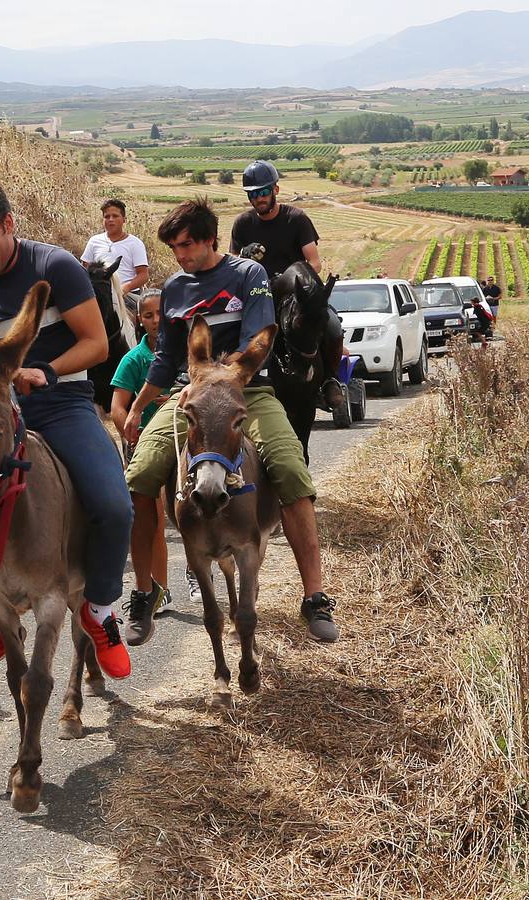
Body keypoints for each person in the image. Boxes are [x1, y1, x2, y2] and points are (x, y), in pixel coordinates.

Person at [121, 198, 342, 647]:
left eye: (187, 246)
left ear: (209, 239)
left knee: (291, 470)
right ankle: (144, 592)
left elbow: (252, 341)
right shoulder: (176, 288)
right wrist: (135, 408)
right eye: (174, 249)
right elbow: (164, 361)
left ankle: (315, 596)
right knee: (140, 477)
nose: (181, 256)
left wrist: (210, 380)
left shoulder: (248, 276)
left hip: (248, 392)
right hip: (189, 395)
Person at [0, 178, 133, 687]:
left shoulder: (57, 267)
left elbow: (95, 346)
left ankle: (99, 608)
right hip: (1, 417)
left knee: (114, 505)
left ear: (9, 225)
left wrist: (42, 371)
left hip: (63, 403)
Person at [230, 160, 345, 409]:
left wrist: (287, 279)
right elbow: (231, 267)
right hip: (256, 296)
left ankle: (329, 380)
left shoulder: (297, 219)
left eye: (263, 192)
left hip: (295, 295)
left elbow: (314, 263)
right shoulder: (242, 224)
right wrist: (243, 256)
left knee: (333, 324)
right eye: (252, 194)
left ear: (275, 190)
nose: (258, 198)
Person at [109, 289, 175, 620]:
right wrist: (132, 432)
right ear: (139, 319)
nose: (155, 320)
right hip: (149, 445)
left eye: (162, 313)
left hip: (188, 440)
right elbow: (118, 407)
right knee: (153, 518)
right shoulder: (133, 360)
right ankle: (156, 590)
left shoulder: (187, 352)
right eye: (148, 315)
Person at [80, 199, 150, 300]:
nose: (110, 219)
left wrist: (125, 288)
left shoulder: (135, 243)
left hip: (127, 295)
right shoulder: (94, 241)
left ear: (124, 219)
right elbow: (84, 269)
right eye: (107, 216)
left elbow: (143, 275)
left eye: (115, 216)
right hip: (99, 295)